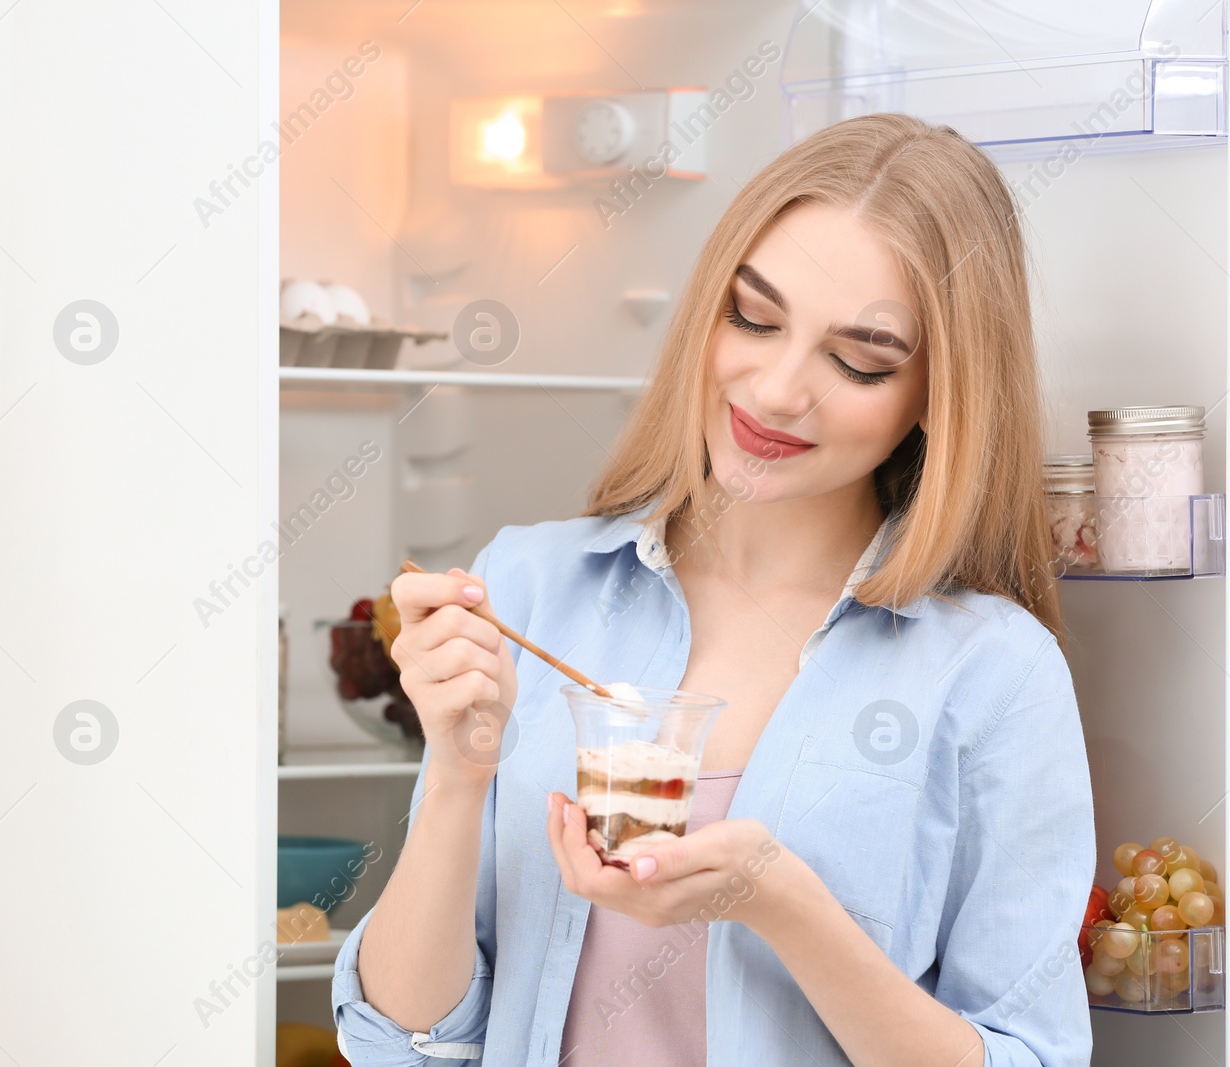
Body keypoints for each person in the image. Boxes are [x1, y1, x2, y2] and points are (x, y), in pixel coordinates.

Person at [332, 112, 1095, 1067]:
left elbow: (1032, 1055)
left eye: (859, 360)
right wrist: (456, 771)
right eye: (753, 316)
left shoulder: (994, 672)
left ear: (939, 394)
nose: (777, 390)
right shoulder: (528, 585)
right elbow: (402, 1045)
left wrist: (782, 902)